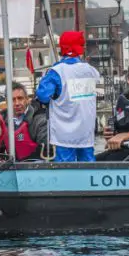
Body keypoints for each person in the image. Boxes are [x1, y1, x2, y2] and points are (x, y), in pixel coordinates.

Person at [35, 30, 102, 162]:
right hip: (86, 133)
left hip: (63, 133)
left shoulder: (56, 72)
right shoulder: (92, 70)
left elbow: (43, 96)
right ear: (81, 49)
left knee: (65, 171)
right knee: (88, 169)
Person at [0, 83, 48, 161]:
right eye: (13, 100)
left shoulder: (40, 120)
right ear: (7, 103)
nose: (17, 103)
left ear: (27, 99)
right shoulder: (2, 120)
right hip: (10, 167)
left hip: (35, 167)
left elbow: (46, 149)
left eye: (20, 98)